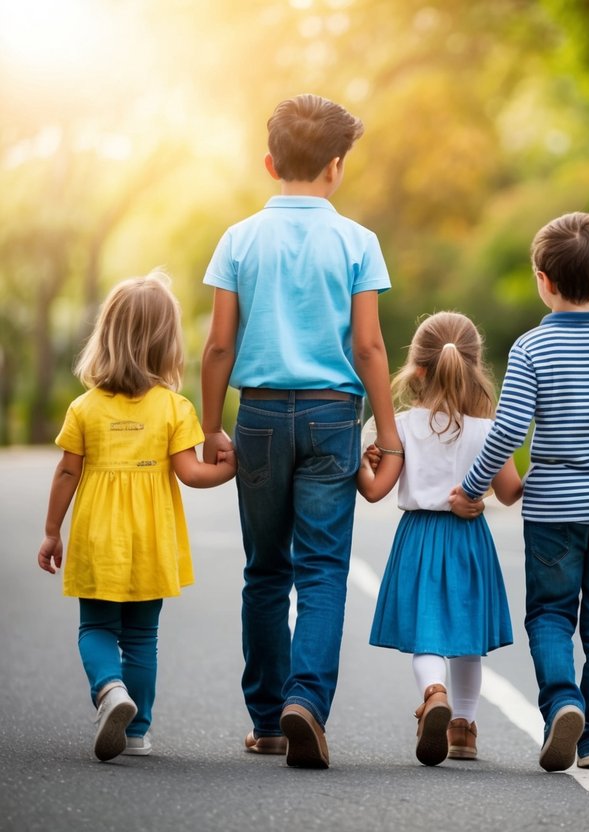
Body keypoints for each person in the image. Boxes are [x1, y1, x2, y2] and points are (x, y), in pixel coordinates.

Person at [200, 93, 405, 769]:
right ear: (337, 167)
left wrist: (209, 427)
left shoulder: (238, 239)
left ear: (269, 162)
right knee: (321, 572)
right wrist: (390, 434)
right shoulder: (357, 241)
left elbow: (218, 349)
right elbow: (371, 349)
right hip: (329, 416)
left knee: (264, 570)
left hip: (257, 415)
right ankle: (306, 704)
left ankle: (265, 720)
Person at [453, 211, 589, 772]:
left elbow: (508, 430)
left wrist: (475, 489)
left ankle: (562, 702)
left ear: (542, 280)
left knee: (549, 616)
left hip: (553, 511)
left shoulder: (531, 349)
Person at [37, 271, 236, 762]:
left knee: (96, 628)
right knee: (143, 636)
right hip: (152, 538)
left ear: (105, 336)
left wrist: (50, 532)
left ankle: (109, 691)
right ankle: (137, 730)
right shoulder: (174, 408)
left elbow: (66, 473)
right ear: (168, 345)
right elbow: (191, 474)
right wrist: (228, 471)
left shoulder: (84, 408)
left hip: (97, 536)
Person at [358, 311, 522, 766]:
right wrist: (480, 490)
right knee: (468, 639)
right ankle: (464, 728)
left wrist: (362, 460)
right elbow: (510, 493)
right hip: (469, 541)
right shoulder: (489, 430)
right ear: (474, 367)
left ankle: (433, 693)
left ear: (417, 368)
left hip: (419, 540)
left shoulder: (402, 425)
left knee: (427, 637)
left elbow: (374, 490)